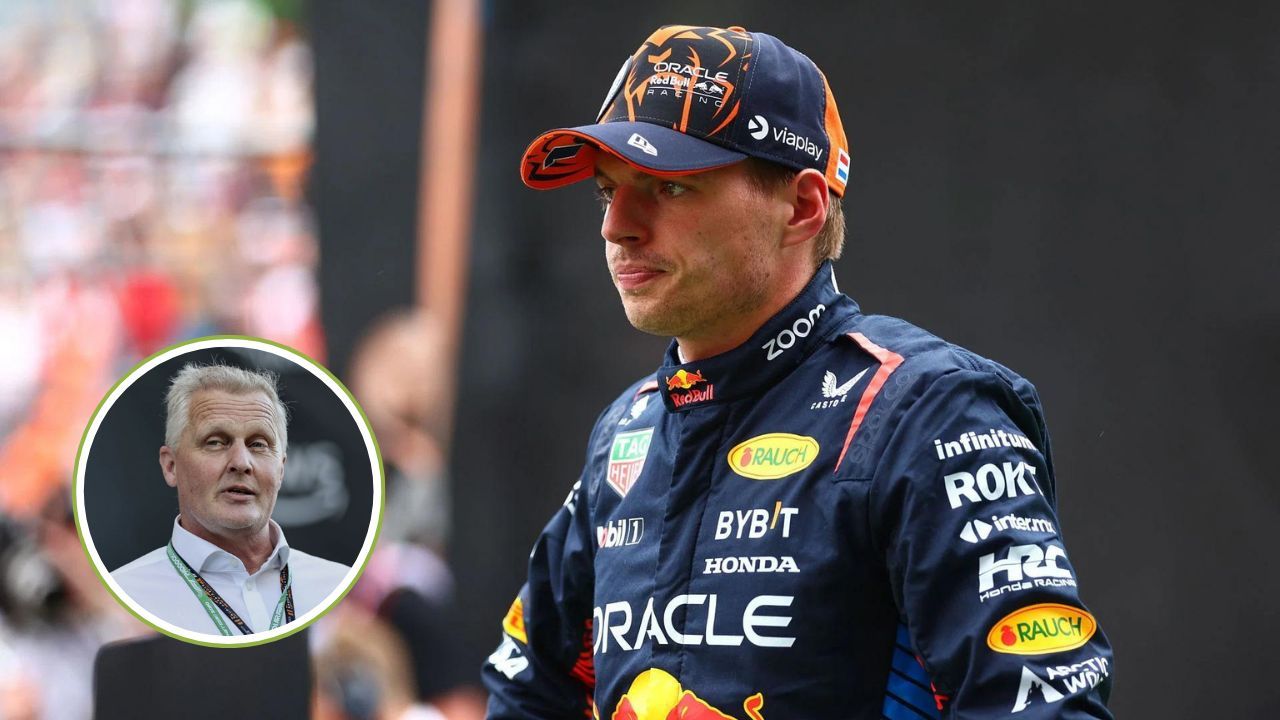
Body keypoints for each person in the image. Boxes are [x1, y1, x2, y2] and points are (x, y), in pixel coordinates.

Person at [482, 24, 1114, 719]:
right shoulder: (627, 431)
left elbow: (1043, 707)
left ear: (803, 207)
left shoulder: (926, 412)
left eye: (668, 189)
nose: (617, 227)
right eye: (608, 192)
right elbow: (527, 689)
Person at [112, 363, 350, 637]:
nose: (241, 462)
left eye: (258, 444)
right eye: (215, 442)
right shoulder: (128, 599)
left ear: (281, 469)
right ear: (171, 466)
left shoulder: (336, 589)